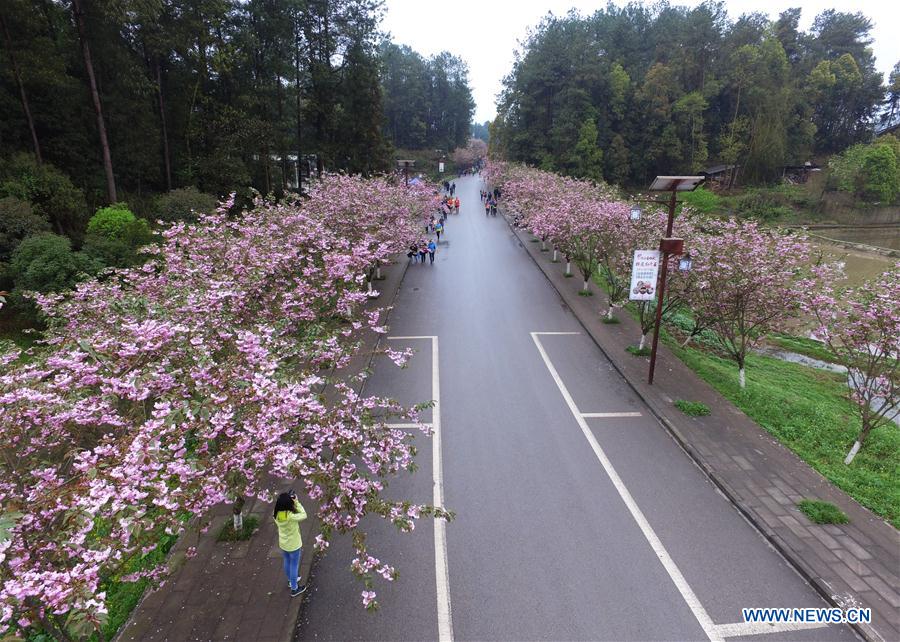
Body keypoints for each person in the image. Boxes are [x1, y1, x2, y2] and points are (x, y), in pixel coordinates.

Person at [273, 490, 308, 597]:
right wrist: (296, 502)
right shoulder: (291, 516)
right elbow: (304, 514)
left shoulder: (276, 514)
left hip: (284, 543)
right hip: (294, 545)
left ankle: (290, 580)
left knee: (287, 561)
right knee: (294, 565)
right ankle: (294, 588)